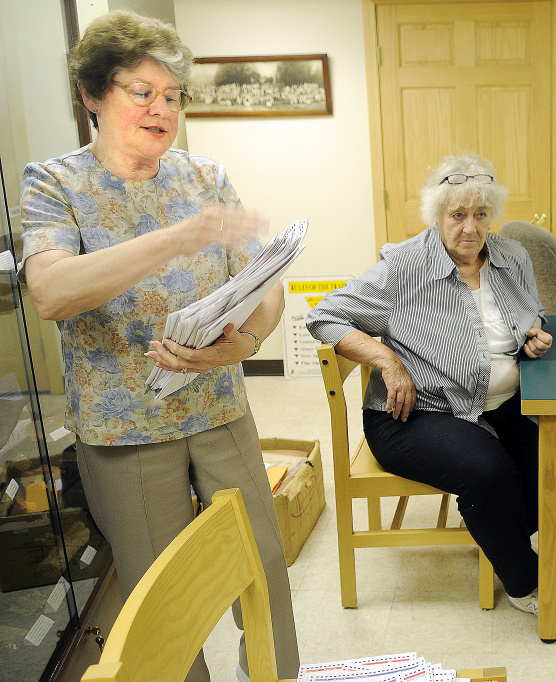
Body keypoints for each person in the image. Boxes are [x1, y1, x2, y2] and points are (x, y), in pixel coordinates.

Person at [18, 11, 298, 681]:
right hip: (126, 429)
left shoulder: (204, 177)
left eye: (172, 95)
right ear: (91, 94)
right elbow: (51, 291)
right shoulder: (54, 183)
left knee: (263, 565)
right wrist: (174, 239)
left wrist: (249, 339)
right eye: (142, 91)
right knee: (164, 596)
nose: (161, 109)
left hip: (220, 407)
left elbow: (264, 280)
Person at [305, 154, 556, 631]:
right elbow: (324, 315)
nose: (470, 228)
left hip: (500, 405)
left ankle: (493, 533)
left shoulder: (511, 256)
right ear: (437, 216)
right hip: (416, 412)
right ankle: (526, 582)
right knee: (489, 472)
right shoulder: (403, 267)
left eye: (480, 215)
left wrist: (531, 333)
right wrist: (386, 361)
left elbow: (530, 311)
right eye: (457, 215)